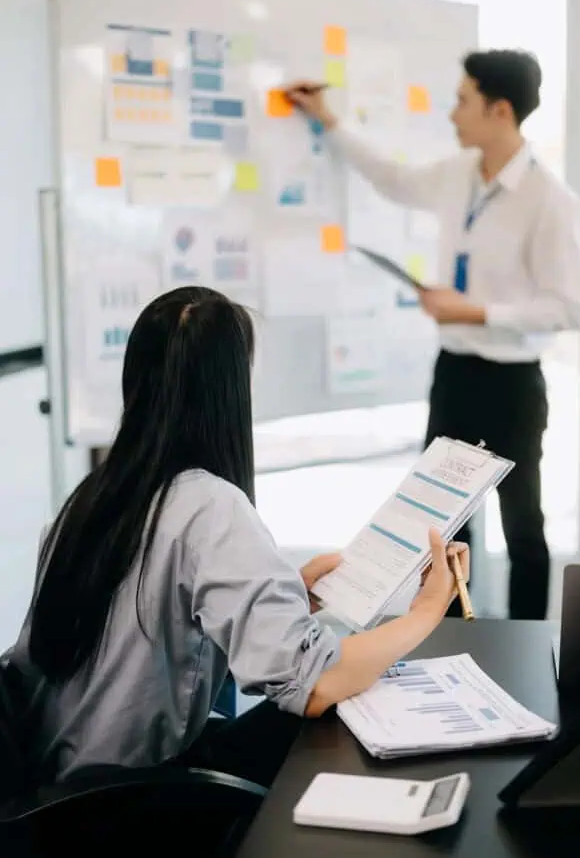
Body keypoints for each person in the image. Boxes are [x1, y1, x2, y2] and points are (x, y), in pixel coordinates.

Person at [4, 287, 468, 789]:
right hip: (130, 806)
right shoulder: (207, 505)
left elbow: (136, 632)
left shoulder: (89, 500)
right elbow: (315, 682)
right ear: (229, 389)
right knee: (345, 700)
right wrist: (425, 612)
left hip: (56, 790)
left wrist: (287, 596)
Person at [286, 49, 580, 621]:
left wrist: (474, 312)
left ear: (500, 111)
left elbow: (568, 308)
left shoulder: (550, 200)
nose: (452, 114)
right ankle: (446, 636)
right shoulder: (457, 173)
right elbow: (393, 179)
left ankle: (525, 652)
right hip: (454, 374)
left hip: (513, 383)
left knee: (523, 527)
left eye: (462, 100)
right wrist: (329, 121)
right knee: (442, 527)